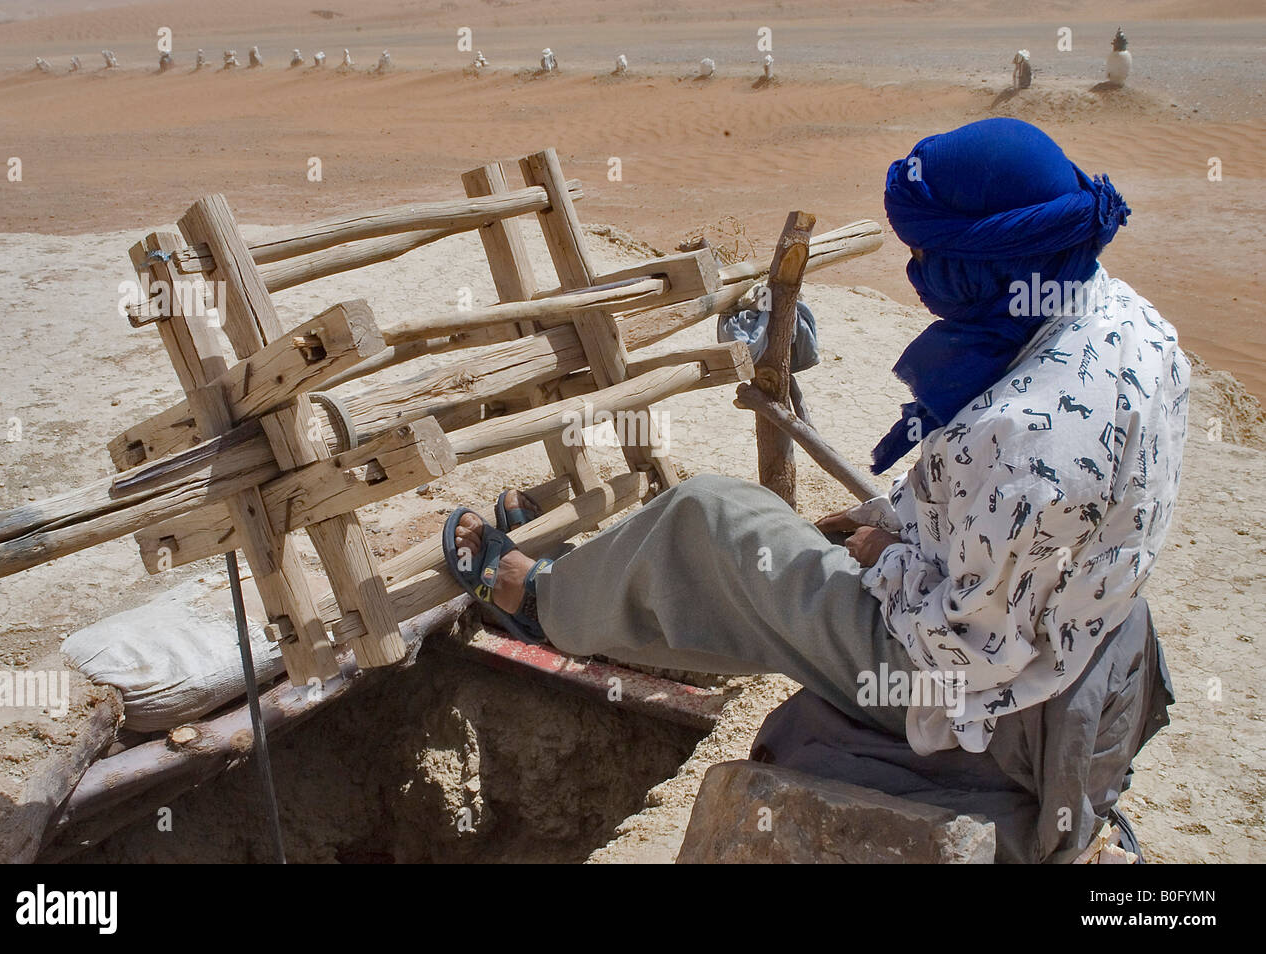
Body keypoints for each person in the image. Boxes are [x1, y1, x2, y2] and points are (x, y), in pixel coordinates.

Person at [445, 117, 1187, 861]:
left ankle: (542, 603)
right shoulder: (1130, 322)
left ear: (987, 262)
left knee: (714, 521)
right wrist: (896, 523)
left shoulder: (1025, 436)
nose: (915, 274)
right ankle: (616, 591)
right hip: (1088, 635)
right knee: (794, 551)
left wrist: (882, 551)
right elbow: (1006, 522)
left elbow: (960, 653)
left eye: (929, 254)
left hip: (968, 686)